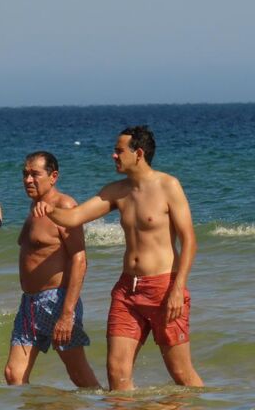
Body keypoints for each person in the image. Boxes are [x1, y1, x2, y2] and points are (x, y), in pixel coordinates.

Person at [33, 126, 203, 391]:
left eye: (118, 150)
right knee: (116, 373)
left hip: (163, 287)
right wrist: (50, 209)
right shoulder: (116, 191)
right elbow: (75, 216)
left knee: (181, 372)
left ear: (138, 153)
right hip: (127, 291)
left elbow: (189, 240)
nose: (113, 156)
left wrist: (178, 287)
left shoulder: (168, 185)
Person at [4, 151, 100, 388]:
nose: (28, 180)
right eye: (25, 174)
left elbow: (79, 259)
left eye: (35, 174)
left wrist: (67, 314)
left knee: (79, 375)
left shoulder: (65, 205)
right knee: (13, 375)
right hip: (29, 303)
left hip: (55, 301)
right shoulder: (34, 207)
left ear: (53, 176)